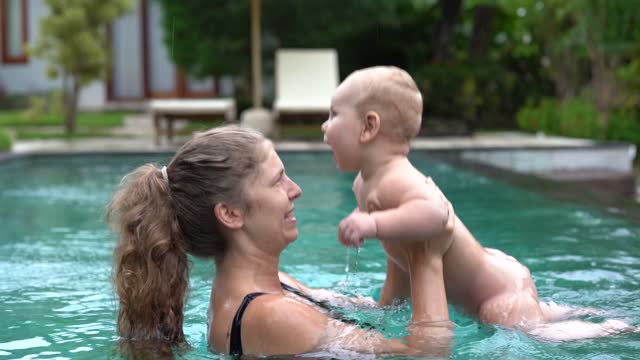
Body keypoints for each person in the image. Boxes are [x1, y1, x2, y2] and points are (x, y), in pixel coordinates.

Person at [321, 66, 636, 341]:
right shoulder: (364, 183)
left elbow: (436, 213)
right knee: (537, 315)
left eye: (334, 115)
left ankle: (608, 327)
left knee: (535, 332)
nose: (324, 125)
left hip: (496, 295)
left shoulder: (399, 178)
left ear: (369, 127)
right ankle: (564, 310)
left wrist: (372, 224)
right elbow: (400, 257)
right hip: (494, 274)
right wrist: (386, 308)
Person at [107, 126, 454, 358]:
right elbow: (422, 353)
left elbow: (382, 312)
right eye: (277, 181)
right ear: (230, 214)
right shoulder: (271, 315)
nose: (295, 190)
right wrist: (427, 259)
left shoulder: (276, 289)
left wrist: (398, 239)